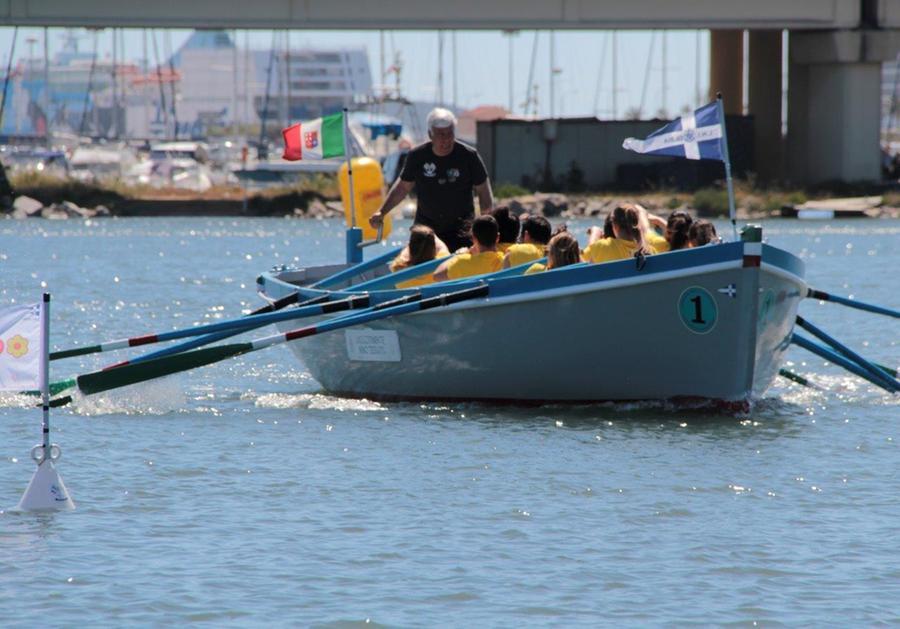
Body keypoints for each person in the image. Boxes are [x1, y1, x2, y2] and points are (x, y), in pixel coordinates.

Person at [369, 108, 494, 252]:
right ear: (430, 135)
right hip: (425, 231)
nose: (445, 139)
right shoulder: (417, 156)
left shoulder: (469, 156)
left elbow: (484, 191)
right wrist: (382, 212)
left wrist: (486, 230)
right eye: (440, 134)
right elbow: (402, 188)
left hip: (461, 232)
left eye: (449, 134)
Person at [433, 215, 504, 282]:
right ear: (497, 237)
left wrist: (457, 255)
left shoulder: (461, 262)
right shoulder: (506, 261)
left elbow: (437, 275)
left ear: (473, 238)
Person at [582, 204, 653, 264]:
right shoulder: (649, 250)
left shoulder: (602, 246)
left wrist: (594, 234)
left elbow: (583, 259)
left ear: (616, 226)